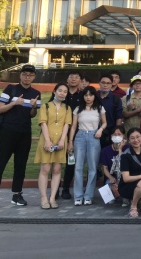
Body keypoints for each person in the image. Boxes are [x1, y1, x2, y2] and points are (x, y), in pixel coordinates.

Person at [0, 64, 41, 210]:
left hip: (24, 133)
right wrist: (14, 103)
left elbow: (32, 115)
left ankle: (17, 195)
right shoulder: (10, 89)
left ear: (34, 77)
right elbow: (0, 109)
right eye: (25, 74)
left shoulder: (36, 93)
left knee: (20, 165)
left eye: (30, 75)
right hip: (7, 132)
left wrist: (34, 107)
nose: (27, 77)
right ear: (20, 75)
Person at [34, 83, 72, 209]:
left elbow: (66, 125)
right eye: (60, 90)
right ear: (54, 91)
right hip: (46, 139)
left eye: (65, 91)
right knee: (45, 169)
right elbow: (43, 123)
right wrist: (47, 141)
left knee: (57, 170)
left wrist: (62, 140)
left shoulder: (67, 108)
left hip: (60, 141)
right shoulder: (45, 106)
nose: (62, 93)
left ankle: (52, 198)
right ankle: (44, 198)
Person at [69, 86, 107, 206]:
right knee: (78, 167)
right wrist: (70, 141)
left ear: (94, 96)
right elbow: (73, 126)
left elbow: (105, 122)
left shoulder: (99, 108)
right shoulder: (78, 109)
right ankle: (78, 196)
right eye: (86, 95)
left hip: (94, 136)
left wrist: (100, 130)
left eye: (90, 95)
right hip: (80, 136)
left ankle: (88, 196)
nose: (88, 97)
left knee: (92, 168)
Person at [60, 71, 82, 200]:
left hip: (75, 133)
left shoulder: (82, 95)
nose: (74, 79)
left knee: (70, 162)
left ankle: (66, 188)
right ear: (67, 79)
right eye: (71, 77)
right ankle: (55, 189)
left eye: (76, 77)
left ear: (80, 80)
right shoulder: (61, 93)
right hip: (59, 132)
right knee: (57, 161)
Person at [100, 125, 129, 206]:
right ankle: (115, 197)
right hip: (113, 178)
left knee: (125, 194)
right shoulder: (105, 151)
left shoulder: (128, 148)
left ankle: (125, 198)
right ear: (111, 136)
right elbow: (105, 168)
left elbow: (123, 163)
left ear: (123, 136)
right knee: (109, 198)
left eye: (119, 134)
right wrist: (111, 178)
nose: (117, 136)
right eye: (115, 134)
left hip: (125, 178)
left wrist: (120, 149)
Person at [97, 73, 123, 148]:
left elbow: (119, 117)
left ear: (111, 84)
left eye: (108, 83)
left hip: (109, 133)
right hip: (94, 132)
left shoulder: (116, 99)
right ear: (99, 83)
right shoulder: (94, 97)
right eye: (103, 82)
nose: (105, 85)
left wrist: (117, 132)